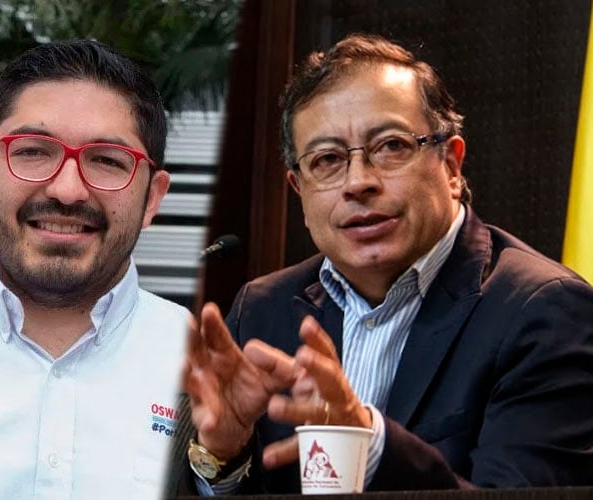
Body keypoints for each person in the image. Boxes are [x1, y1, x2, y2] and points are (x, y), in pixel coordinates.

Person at [171, 33, 593, 495]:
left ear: (452, 166)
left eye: (391, 146)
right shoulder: (262, 310)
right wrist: (225, 455)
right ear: (299, 190)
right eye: (327, 159)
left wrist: (370, 445)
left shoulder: (544, 311)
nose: (358, 182)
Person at [0, 40, 189, 499]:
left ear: (152, 197)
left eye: (107, 160)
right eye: (32, 151)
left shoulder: (200, 361)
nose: (67, 190)